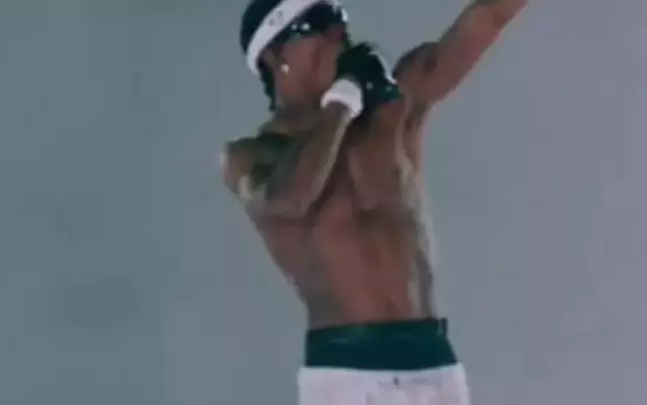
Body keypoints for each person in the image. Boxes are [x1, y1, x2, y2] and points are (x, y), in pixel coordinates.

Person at [221, 0, 526, 403]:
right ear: (275, 57)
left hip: (434, 363)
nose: (339, 33)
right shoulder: (253, 156)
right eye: (318, 23)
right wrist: (341, 102)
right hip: (349, 374)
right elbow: (291, 199)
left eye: (339, 19)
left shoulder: (394, 108)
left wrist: (352, 99)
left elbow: (488, 16)